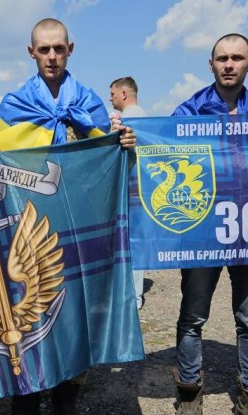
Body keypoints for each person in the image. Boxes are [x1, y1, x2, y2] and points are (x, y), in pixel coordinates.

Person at [0, 17, 136, 415]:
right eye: (43, 49)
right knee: (28, 313)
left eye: (58, 48)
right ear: (31, 52)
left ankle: (67, 397)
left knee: (74, 312)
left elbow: (108, 164)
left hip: (78, 230)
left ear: (70, 49)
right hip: (28, 234)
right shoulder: (14, 105)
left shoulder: (89, 103)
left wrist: (125, 146)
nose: (51, 56)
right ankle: (27, 396)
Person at [171, 33, 248, 415]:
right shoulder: (190, 111)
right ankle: (188, 391)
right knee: (193, 315)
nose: (229, 64)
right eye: (222, 58)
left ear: (247, 62)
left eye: (237, 57)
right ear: (211, 64)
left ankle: (246, 392)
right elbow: (160, 153)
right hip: (202, 229)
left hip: (247, 230)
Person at [110, 76, 146, 310]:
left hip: (130, 190)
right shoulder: (146, 117)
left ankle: (132, 296)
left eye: (112, 94)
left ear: (124, 94)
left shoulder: (127, 121)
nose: (110, 98)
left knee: (129, 242)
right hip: (144, 191)